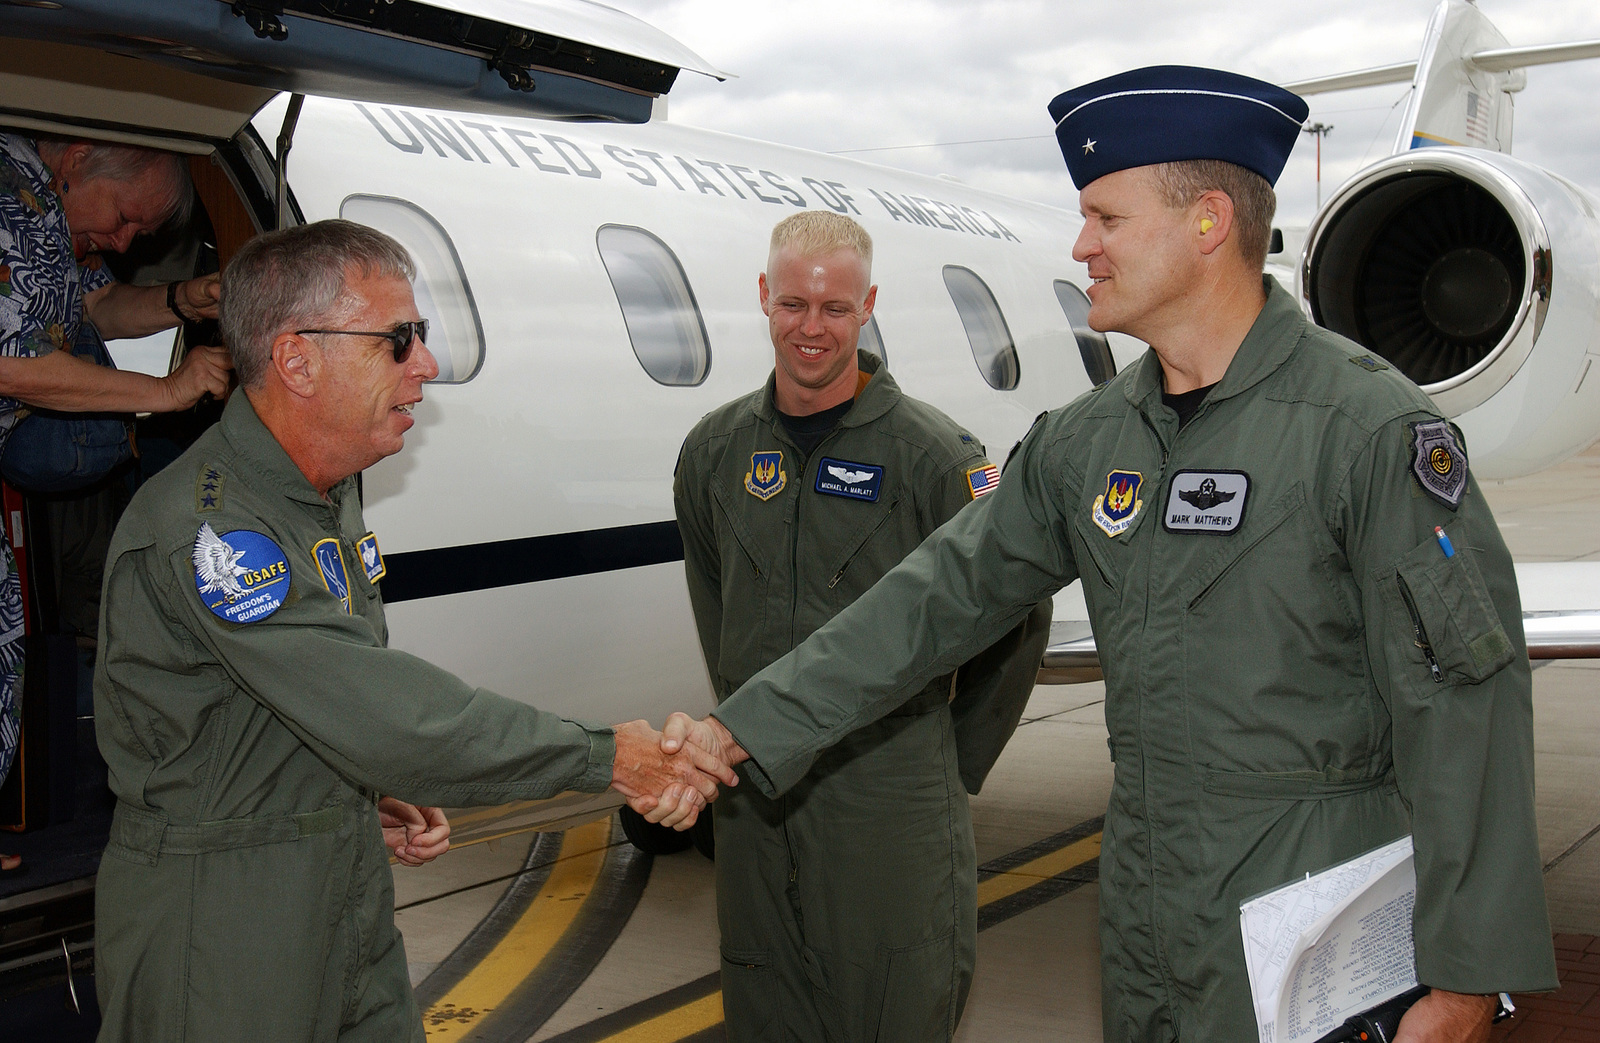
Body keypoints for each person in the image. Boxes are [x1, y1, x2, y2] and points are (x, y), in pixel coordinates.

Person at [664, 67, 1557, 1042]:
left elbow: (1464, 703)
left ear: (1208, 222)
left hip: (1313, 904)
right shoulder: (1087, 443)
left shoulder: (1364, 429)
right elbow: (927, 601)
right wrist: (741, 726)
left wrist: (1469, 970)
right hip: (1144, 905)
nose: (1081, 245)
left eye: (1105, 218)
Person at [91, 219, 732, 1041]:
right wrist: (611, 753)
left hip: (338, 889)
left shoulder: (325, 491)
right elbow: (384, 709)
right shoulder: (213, 533)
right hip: (224, 922)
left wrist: (347, 787)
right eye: (400, 340)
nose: (425, 365)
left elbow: (287, 699)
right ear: (297, 359)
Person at [672, 210, 1050, 1041]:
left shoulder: (935, 457)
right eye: (794, 305)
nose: (812, 329)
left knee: (898, 1003)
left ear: (867, 305)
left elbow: (1015, 618)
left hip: (888, 793)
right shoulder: (714, 450)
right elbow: (715, 600)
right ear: (765, 298)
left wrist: (948, 761)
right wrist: (743, 716)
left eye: (835, 309)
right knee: (764, 1000)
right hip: (753, 795)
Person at [0, 134, 232, 873]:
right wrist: (164, 391)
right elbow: (16, 364)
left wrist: (176, 301)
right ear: (79, 156)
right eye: (128, 216)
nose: (126, 238)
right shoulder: (14, 194)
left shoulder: (51, 215)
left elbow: (91, 306)